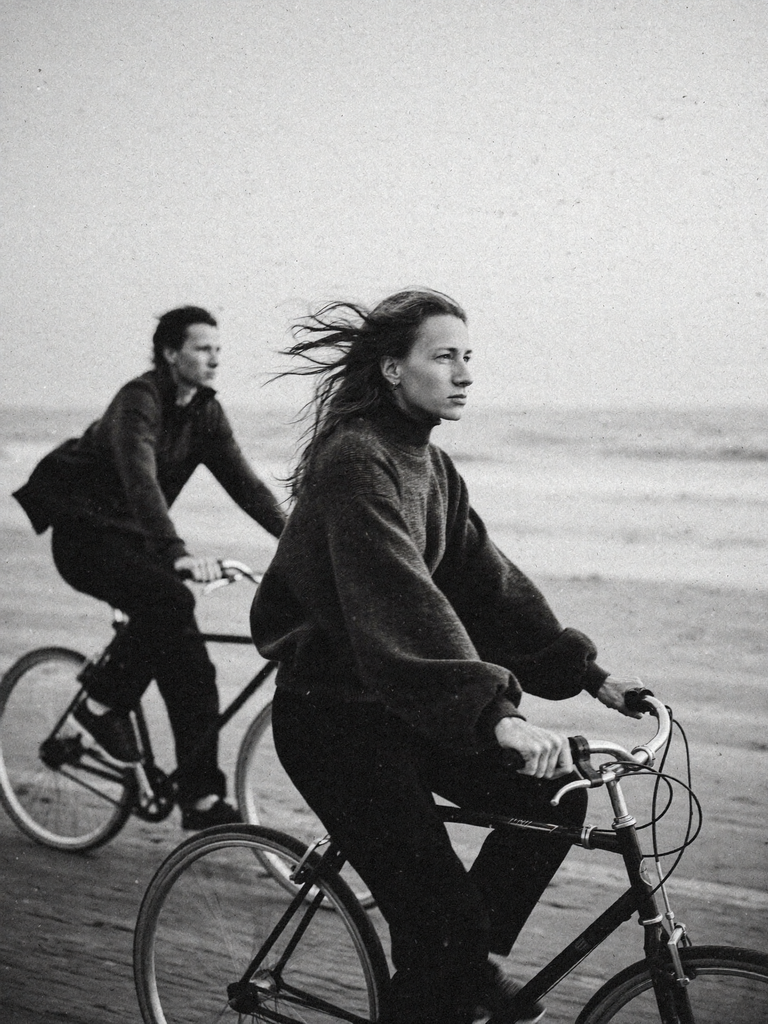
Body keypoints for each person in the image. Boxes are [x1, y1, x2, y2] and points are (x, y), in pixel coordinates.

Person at [250, 289, 643, 1024]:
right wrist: (495, 715)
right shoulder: (355, 460)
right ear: (393, 369)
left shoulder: (431, 465)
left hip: (402, 708)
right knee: (445, 918)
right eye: (444, 357)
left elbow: (488, 586)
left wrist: (589, 675)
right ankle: (451, 964)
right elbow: (402, 601)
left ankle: (451, 974)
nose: (464, 374)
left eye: (468, 357)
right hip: (333, 721)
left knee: (556, 798)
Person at [13, 305, 286, 830]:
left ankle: (200, 799)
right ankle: (99, 705)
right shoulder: (138, 401)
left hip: (136, 542)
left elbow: (248, 487)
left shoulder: (205, 412)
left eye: (218, 349)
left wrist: (302, 543)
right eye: (202, 348)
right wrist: (177, 554)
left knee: (193, 668)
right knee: (172, 599)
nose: (214, 359)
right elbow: (141, 482)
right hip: (84, 539)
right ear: (170, 353)